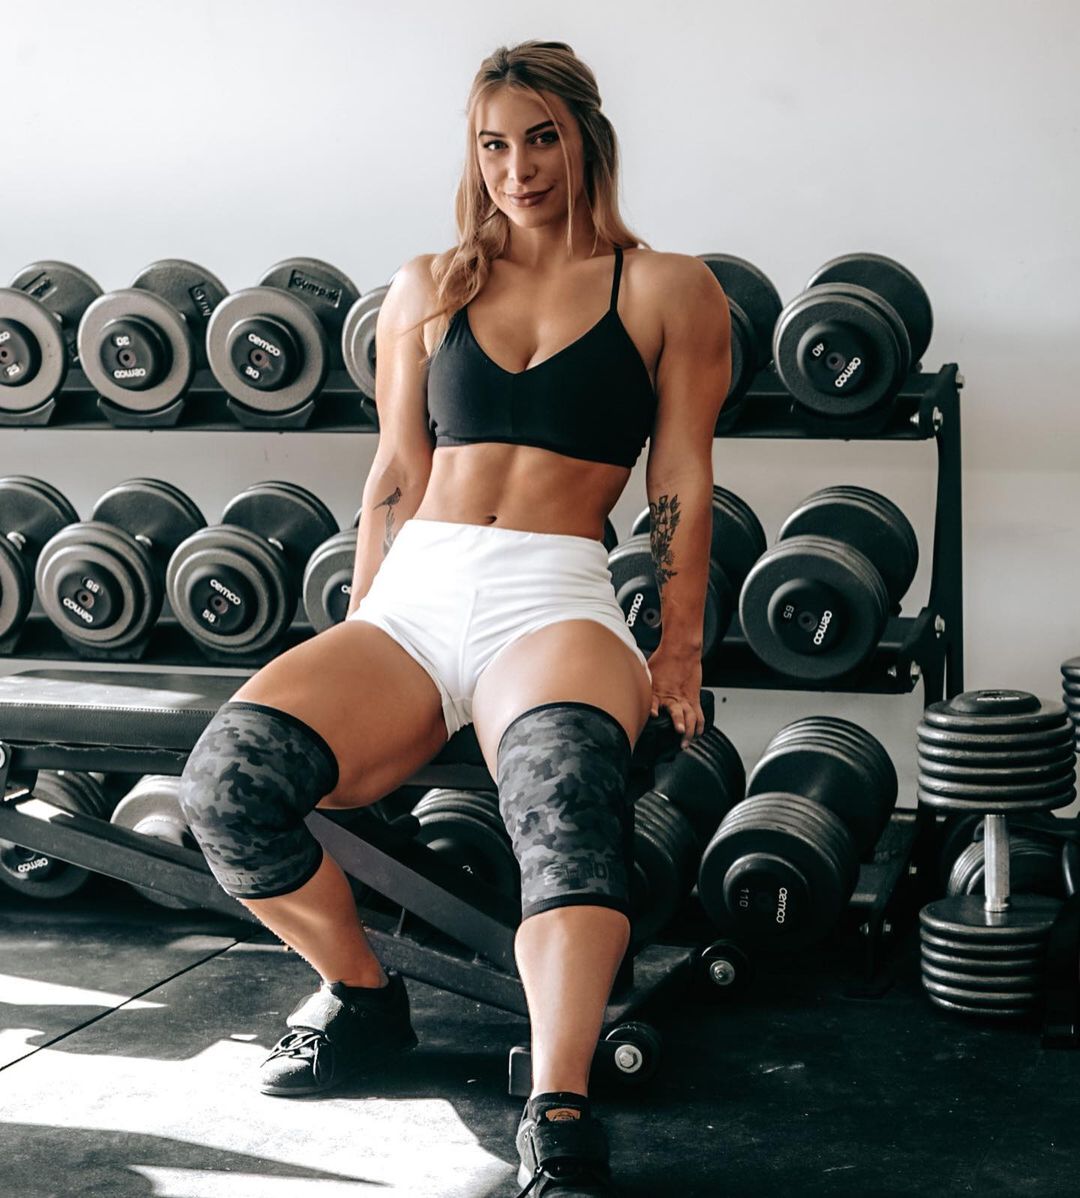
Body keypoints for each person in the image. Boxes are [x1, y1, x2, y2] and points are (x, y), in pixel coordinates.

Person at [177, 38, 730, 1198]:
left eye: (541, 140)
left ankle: (559, 1105)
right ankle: (362, 992)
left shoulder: (666, 288)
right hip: (419, 594)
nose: (517, 170)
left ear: (587, 142)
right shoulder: (431, 284)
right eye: (494, 146)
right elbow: (395, 470)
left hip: (554, 597)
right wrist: (363, 624)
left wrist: (678, 645)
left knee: (567, 809)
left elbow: (680, 475)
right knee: (227, 782)